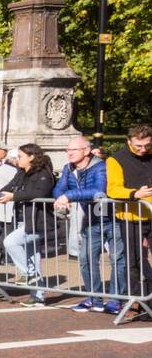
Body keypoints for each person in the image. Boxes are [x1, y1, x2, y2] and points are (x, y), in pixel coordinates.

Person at [53, 136, 113, 313]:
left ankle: (117, 300)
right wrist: (61, 198)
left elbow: (98, 191)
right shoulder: (68, 168)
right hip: (91, 219)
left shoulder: (100, 167)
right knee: (86, 259)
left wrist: (69, 196)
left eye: (74, 150)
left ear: (86, 151)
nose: (69, 153)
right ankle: (94, 299)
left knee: (118, 262)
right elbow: (58, 188)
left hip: (112, 219)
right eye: (67, 150)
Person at [0, 143, 56, 306]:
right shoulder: (21, 172)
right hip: (22, 218)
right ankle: (38, 297)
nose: (17, 159)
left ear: (31, 157)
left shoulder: (43, 173)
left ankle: (28, 274)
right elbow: (11, 186)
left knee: (9, 242)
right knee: (33, 257)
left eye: (20, 156)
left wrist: (13, 197)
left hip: (37, 221)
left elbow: (39, 193)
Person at [106, 124, 152, 310]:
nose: (143, 150)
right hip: (131, 217)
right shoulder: (116, 159)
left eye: (147, 146)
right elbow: (112, 189)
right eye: (138, 146)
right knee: (133, 261)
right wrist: (134, 194)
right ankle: (137, 303)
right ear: (129, 141)